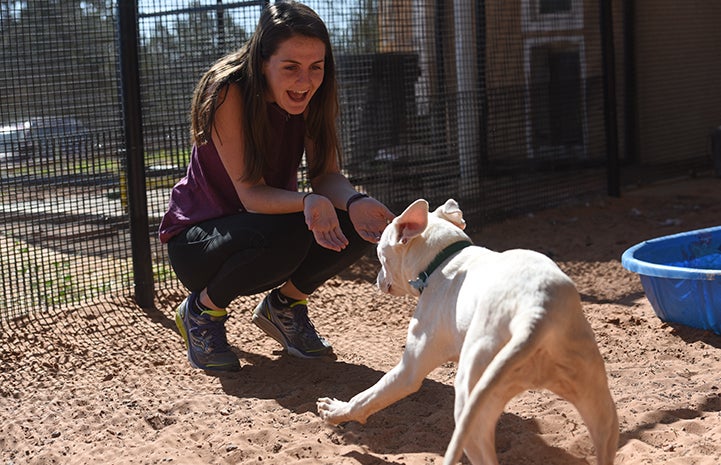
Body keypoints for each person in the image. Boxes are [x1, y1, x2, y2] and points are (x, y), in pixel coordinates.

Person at [158, 1, 395, 372]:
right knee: (293, 230)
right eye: (290, 68)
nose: (305, 81)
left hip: (266, 228)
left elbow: (327, 175)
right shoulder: (228, 92)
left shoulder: (316, 96)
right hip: (200, 241)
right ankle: (201, 312)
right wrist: (308, 201)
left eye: (316, 67)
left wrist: (353, 200)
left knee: (359, 224)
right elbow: (250, 194)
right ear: (262, 62)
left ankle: (284, 306)